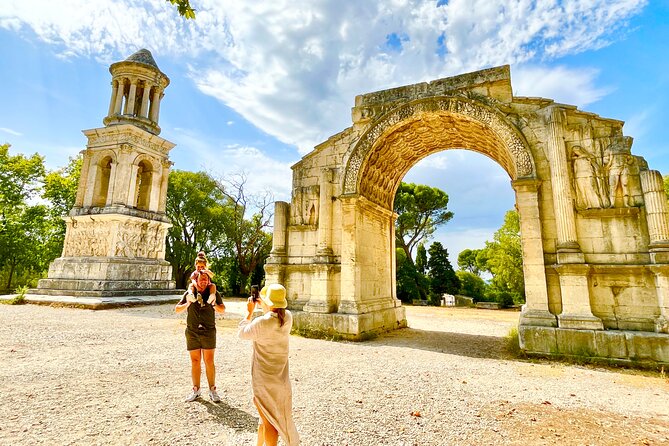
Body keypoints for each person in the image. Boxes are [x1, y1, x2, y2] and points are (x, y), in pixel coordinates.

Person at [238, 284, 299, 446]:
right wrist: (264, 304)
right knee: (267, 417)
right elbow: (273, 315)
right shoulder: (287, 318)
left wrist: (249, 311)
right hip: (280, 379)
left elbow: (242, 333)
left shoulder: (262, 323)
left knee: (268, 423)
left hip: (264, 380)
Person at [175, 254, 226, 403]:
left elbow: (222, 309)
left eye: (205, 279)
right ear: (196, 280)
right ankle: (196, 390)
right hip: (192, 331)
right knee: (195, 361)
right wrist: (187, 304)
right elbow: (177, 309)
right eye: (200, 279)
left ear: (208, 280)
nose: (203, 281)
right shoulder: (190, 290)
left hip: (208, 331)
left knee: (209, 361)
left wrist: (214, 304)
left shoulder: (213, 291)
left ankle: (212, 390)